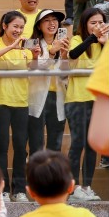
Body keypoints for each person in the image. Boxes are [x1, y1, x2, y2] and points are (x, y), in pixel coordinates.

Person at [0, 11, 35, 202]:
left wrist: (36, 56)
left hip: (21, 101)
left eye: (21, 27)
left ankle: (19, 189)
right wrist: (11, 47)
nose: (18, 30)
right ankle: (2, 189)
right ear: (4, 26)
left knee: (21, 147)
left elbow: (34, 69)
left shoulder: (25, 46)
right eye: (15, 26)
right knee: (0, 146)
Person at [67, 7, 109, 201]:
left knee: (92, 145)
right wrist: (92, 38)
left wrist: (105, 44)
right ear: (85, 25)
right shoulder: (78, 39)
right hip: (77, 98)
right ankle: (73, 188)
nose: (98, 26)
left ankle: (87, 187)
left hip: (97, 99)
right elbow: (73, 54)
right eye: (93, 23)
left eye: (101, 22)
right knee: (77, 143)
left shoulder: (106, 43)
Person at [28, 9, 70, 156]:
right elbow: (37, 68)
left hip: (58, 96)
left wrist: (64, 57)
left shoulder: (65, 44)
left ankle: (53, 171)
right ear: (39, 26)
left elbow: (65, 76)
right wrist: (52, 52)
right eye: (47, 20)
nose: (52, 23)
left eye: (54, 20)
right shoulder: (32, 44)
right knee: (36, 143)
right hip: (37, 96)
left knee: (55, 144)